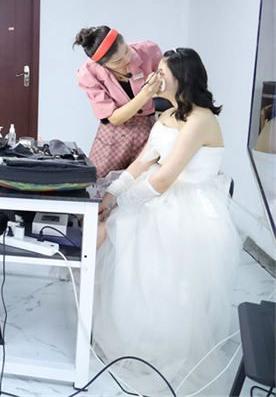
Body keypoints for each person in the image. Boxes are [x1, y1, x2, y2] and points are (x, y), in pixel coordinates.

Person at [94, 48, 241, 394]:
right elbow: (144, 162)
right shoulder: (168, 114)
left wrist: (122, 204)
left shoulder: (201, 119)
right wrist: (111, 195)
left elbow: (165, 178)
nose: (154, 77)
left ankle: (160, 343)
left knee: (142, 246)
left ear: (182, 78)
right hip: (159, 194)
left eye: (161, 72)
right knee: (122, 238)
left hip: (188, 204)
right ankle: (129, 330)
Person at [74, 26, 163, 179]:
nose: (127, 59)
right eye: (118, 61)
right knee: (97, 182)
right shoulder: (88, 73)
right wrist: (145, 94)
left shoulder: (149, 50)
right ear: (102, 64)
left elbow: (167, 84)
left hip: (147, 128)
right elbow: (114, 118)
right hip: (113, 134)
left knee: (141, 181)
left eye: (126, 50)